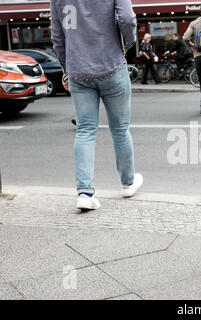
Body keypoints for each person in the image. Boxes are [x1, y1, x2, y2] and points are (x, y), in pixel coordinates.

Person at [51, 0, 144, 210]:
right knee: (120, 129)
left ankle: (84, 192)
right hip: (111, 64)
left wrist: (67, 66)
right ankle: (128, 183)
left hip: (78, 71)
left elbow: (57, 36)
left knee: (84, 130)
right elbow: (127, 19)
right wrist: (126, 47)